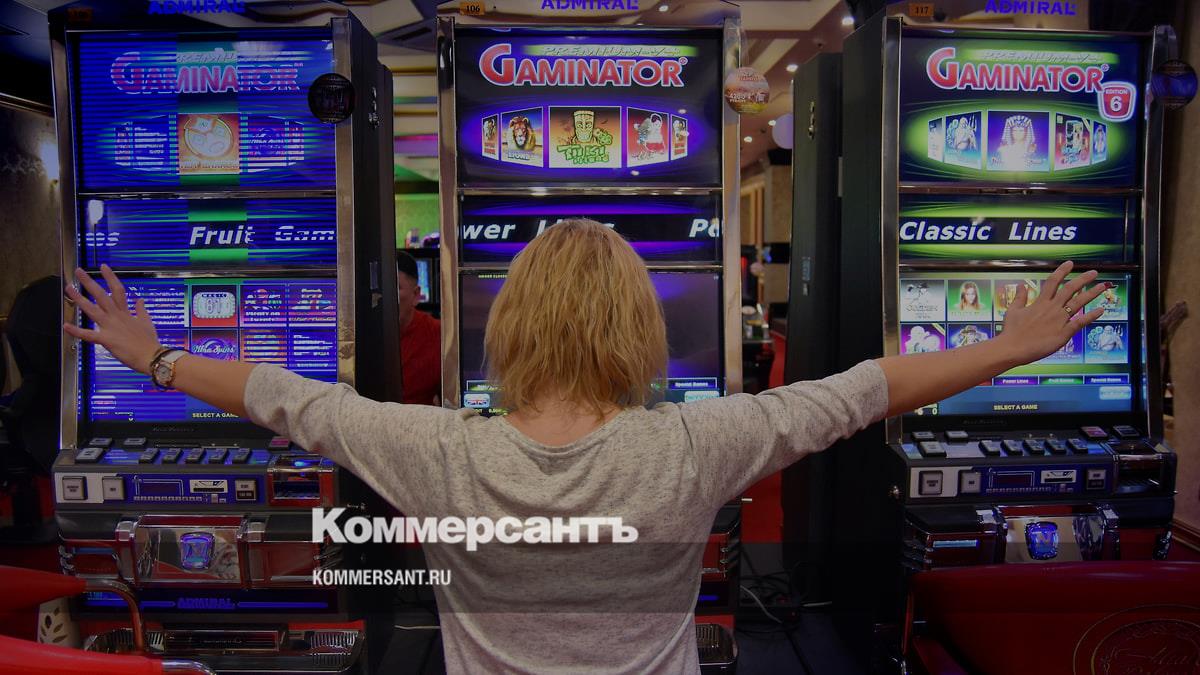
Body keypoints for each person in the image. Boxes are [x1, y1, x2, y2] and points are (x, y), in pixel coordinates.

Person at [63, 219, 1109, 674]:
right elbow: (859, 393)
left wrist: (155, 357)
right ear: (638, 329)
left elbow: (285, 398)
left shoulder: (432, 446)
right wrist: (1007, 348)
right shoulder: (697, 441)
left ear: (509, 326)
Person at [396, 250, 440, 406]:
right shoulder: (357, 336)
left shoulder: (438, 335)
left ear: (416, 295)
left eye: (395, 287)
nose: (383, 296)